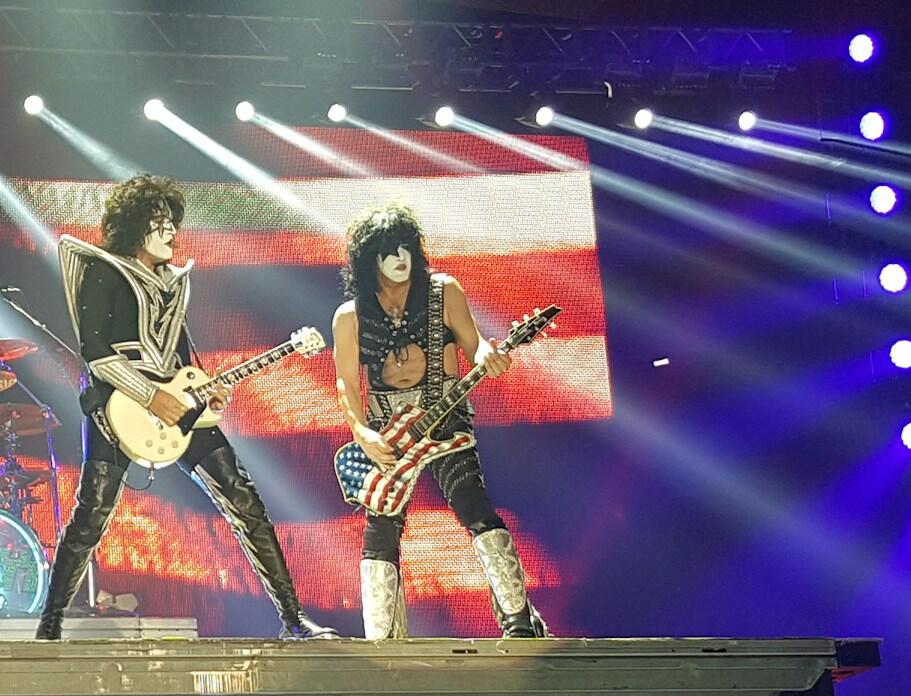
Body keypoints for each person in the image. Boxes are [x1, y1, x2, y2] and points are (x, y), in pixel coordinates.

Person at [35, 174, 336, 641]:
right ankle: (50, 626)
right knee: (92, 513)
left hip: (177, 400)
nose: (172, 233)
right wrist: (151, 395)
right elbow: (93, 349)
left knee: (243, 499)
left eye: (173, 223)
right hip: (118, 404)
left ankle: (294, 620)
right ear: (135, 227)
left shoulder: (174, 283)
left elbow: (177, 352)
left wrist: (204, 390)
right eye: (160, 224)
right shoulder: (103, 270)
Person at [330, 201, 546, 639]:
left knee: (474, 505)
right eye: (390, 250)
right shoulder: (350, 316)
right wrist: (363, 433)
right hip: (389, 427)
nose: (400, 258)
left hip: (445, 413)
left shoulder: (443, 291)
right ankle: (381, 640)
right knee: (381, 530)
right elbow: (346, 384)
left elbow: (475, 344)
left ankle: (519, 622)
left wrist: (490, 355)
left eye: (406, 247)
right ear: (369, 259)